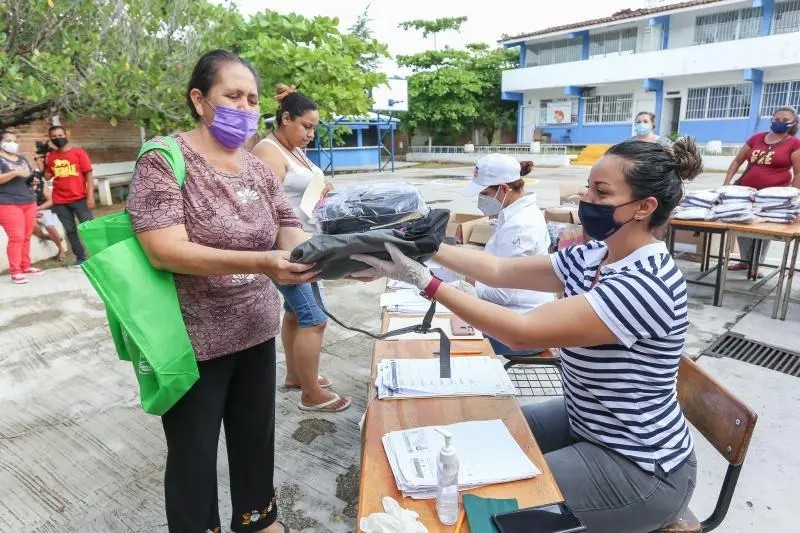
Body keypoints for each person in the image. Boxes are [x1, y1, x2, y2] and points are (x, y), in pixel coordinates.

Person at [353, 138, 703, 533]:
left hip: (638, 467)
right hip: (587, 420)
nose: (586, 197)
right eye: (589, 185)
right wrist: (422, 245)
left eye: (602, 192)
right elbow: (499, 271)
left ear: (644, 207)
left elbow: (521, 333)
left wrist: (423, 281)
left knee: (483, 501)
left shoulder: (645, 283)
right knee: (466, 441)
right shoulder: (597, 254)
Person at [126, 49, 314, 533]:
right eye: (232, 95)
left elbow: (288, 227)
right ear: (199, 99)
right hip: (192, 340)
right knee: (193, 453)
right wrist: (262, 262)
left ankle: (258, 518)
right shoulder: (164, 159)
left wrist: (328, 257)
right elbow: (164, 248)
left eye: (252, 98)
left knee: (256, 438)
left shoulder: (254, 167)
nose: (245, 107)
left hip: (255, 328)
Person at [251, 85, 349, 412]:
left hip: (305, 245)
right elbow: (264, 207)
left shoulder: (293, 150)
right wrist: (278, 254)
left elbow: (298, 195)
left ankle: (296, 376)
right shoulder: (269, 151)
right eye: (306, 126)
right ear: (286, 118)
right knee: (314, 318)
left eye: (314, 128)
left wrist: (322, 189)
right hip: (287, 250)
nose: (310, 133)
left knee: (295, 313)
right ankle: (311, 393)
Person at [462, 153, 553, 355]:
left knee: (446, 338)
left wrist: (466, 280)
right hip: (511, 317)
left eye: (484, 193)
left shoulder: (521, 226)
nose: (480, 200)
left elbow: (501, 294)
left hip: (521, 329)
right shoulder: (512, 215)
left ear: (503, 189)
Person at [723, 105, 800, 271]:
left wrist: (793, 196)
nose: (780, 122)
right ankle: (745, 261)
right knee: (742, 223)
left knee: (764, 230)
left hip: (773, 197)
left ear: (794, 123)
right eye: (777, 119)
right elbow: (737, 161)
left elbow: (798, 172)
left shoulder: (794, 143)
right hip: (746, 192)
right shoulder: (756, 138)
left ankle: (756, 265)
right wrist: (727, 182)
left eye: (785, 120)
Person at [44, 125, 94, 266]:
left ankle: (98, 253)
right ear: (50, 139)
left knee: (88, 227)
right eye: (54, 136)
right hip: (60, 200)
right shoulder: (52, 156)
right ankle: (80, 258)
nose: (57, 138)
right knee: (70, 230)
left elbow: (89, 175)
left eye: (60, 135)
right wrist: (42, 160)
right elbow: (47, 177)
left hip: (80, 198)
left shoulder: (79, 153)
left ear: (67, 135)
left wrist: (90, 196)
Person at [0, 130, 43, 284]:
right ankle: (16, 271)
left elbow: (27, 175)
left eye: (14, 140)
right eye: (8, 140)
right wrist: (15, 173)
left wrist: (33, 180)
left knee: (26, 236)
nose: (13, 144)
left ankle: (25, 265)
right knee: (16, 237)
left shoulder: (22, 159)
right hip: (7, 203)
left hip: (28, 200)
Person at [29, 172, 67, 260]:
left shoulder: (40, 183)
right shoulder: (20, 186)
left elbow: (51, 200)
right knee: (32, 225)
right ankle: (48, 237)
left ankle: (60, 250)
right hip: (28, 211)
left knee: (50, 227)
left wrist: (38, 208)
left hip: (42, 209)